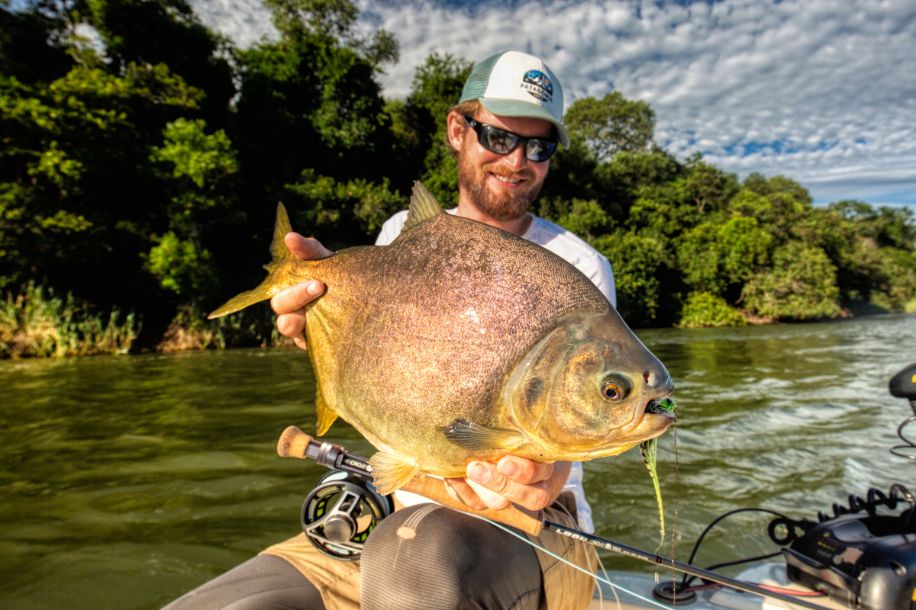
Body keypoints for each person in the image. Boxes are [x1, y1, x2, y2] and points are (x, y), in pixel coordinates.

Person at [165, 50, 617, 610]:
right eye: (500, 137)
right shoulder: (400, 231)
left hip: (534, 527)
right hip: (393, 515)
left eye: (540, 147)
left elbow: (567, 440)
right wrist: (324, 319)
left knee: (417, 568)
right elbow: (381, 365)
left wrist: (543, 477)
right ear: (458, 128)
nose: (519, 160)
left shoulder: (579, 267)